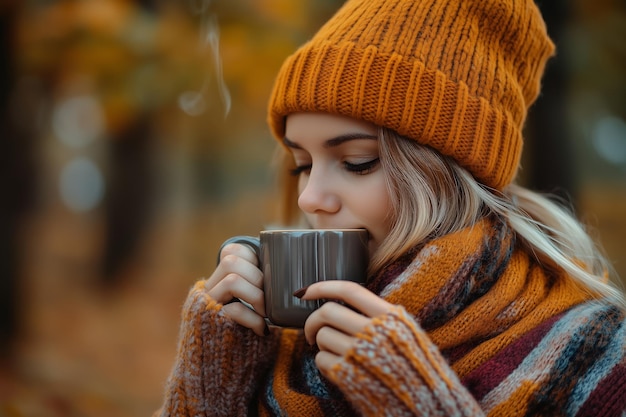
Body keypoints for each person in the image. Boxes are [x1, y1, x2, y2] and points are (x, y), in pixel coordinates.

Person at [154, 0, 626, 415]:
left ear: (447, 175)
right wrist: (208, 389)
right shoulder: (277, 347)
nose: (309, 197)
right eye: (302, 165)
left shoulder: (602, 356)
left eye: (356, 162)